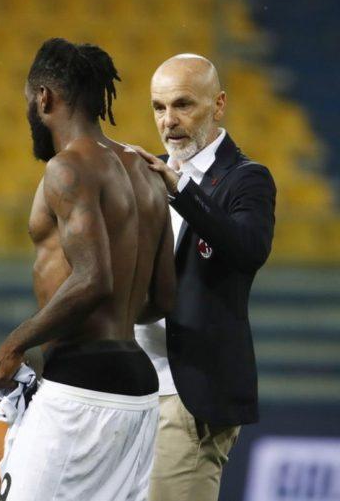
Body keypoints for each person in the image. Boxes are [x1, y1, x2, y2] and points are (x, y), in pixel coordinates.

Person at [0, 38, 175, 501]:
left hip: (80, 388)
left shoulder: (67, 168)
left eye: (30, 101)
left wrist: (14, 344)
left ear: (44, 98)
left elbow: (92, 279)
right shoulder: (147, 172)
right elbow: (164, 299)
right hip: (138, 390)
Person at [133, 54, 276, 501]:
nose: (168, 121)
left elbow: (248, 250)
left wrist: (179, 190)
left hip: (189, 394)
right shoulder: (146, 176)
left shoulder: (247, 179)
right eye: (158, 107)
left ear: (218, 104)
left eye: (182, 104)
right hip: (132, 389)